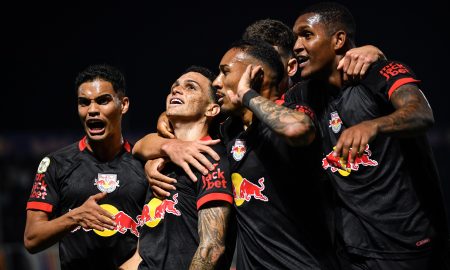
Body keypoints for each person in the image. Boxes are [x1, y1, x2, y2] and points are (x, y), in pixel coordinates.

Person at [284, 2, 449, 269]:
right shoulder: (303, 94)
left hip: (408, 247)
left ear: (338, 40)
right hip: (351, 250)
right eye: (295, 38)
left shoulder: (379, 72)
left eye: (307, 34)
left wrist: (374, 125)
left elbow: (420, 112)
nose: (297, 45)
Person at [24, 64, 148, 269]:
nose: (92, 110)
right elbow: (31, 239)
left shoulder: (145, 164)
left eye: (103, 101)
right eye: (84, 103)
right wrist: (75, 217)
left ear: (123, 105)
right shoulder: (55, 164)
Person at [125, 66, 236, 270]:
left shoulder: (209, 159)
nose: (176, 90)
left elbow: (212, 248)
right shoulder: (158, 165)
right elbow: (146, 252)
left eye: (190, 87)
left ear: (211, 109)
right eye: (174, 87)